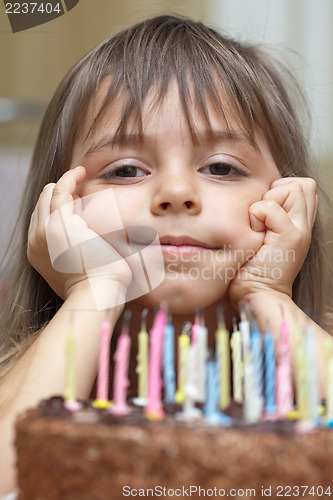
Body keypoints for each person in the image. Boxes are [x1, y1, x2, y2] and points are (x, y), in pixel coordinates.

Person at [0, 14, 332, 495]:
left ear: (286, 199)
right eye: (127, 170)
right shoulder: (18, 383)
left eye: (221, 166)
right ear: (60, 208)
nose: (176, 193)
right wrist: (95, 289)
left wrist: (268, 293)